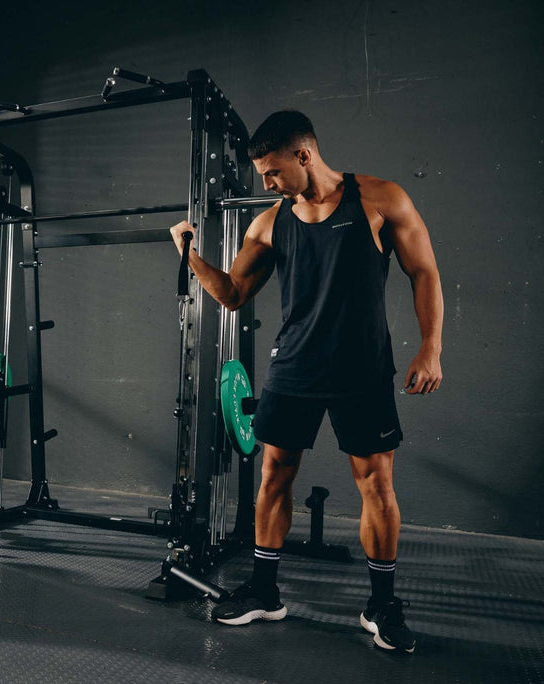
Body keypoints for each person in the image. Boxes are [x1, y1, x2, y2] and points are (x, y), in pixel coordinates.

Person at [169, 110, 443, 653]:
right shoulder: (270, 223)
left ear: (304, 155)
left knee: (376, 486)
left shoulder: (380, 199)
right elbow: (232, 293)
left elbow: (425, 272)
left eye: (272, 173)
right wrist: (188, 254)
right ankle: (265, 593)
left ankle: (380, 605)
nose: (267, 184)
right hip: (294, 365)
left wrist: (431, 348)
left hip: (362, 370)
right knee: (274, 474)